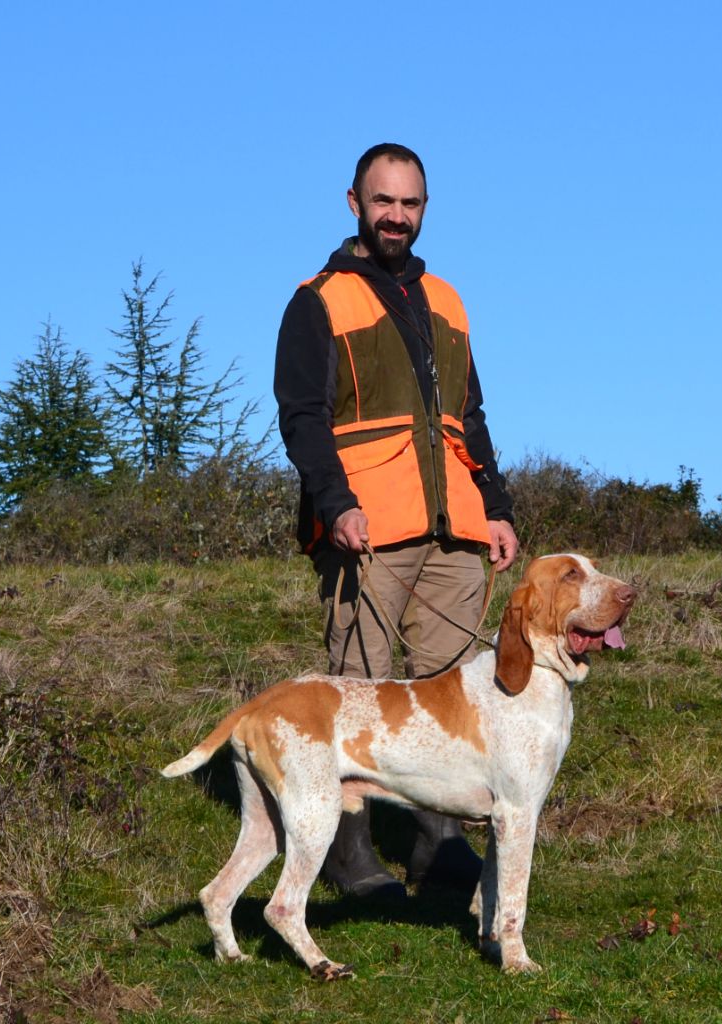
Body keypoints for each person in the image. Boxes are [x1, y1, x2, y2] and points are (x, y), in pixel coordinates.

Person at [274, 142, 518, 899]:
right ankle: (347, 855)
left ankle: (438, 851)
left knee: (448, 698)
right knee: (358, 692)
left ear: (424, 209)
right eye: (384, 202)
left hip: (456, 531)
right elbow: (302, 417)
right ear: (354, 203)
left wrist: (499, 505)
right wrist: (335, 503)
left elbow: (468, 417)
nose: (397, 217)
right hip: (366, 529)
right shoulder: (317, 300)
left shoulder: (446, 298)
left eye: (410, 204)